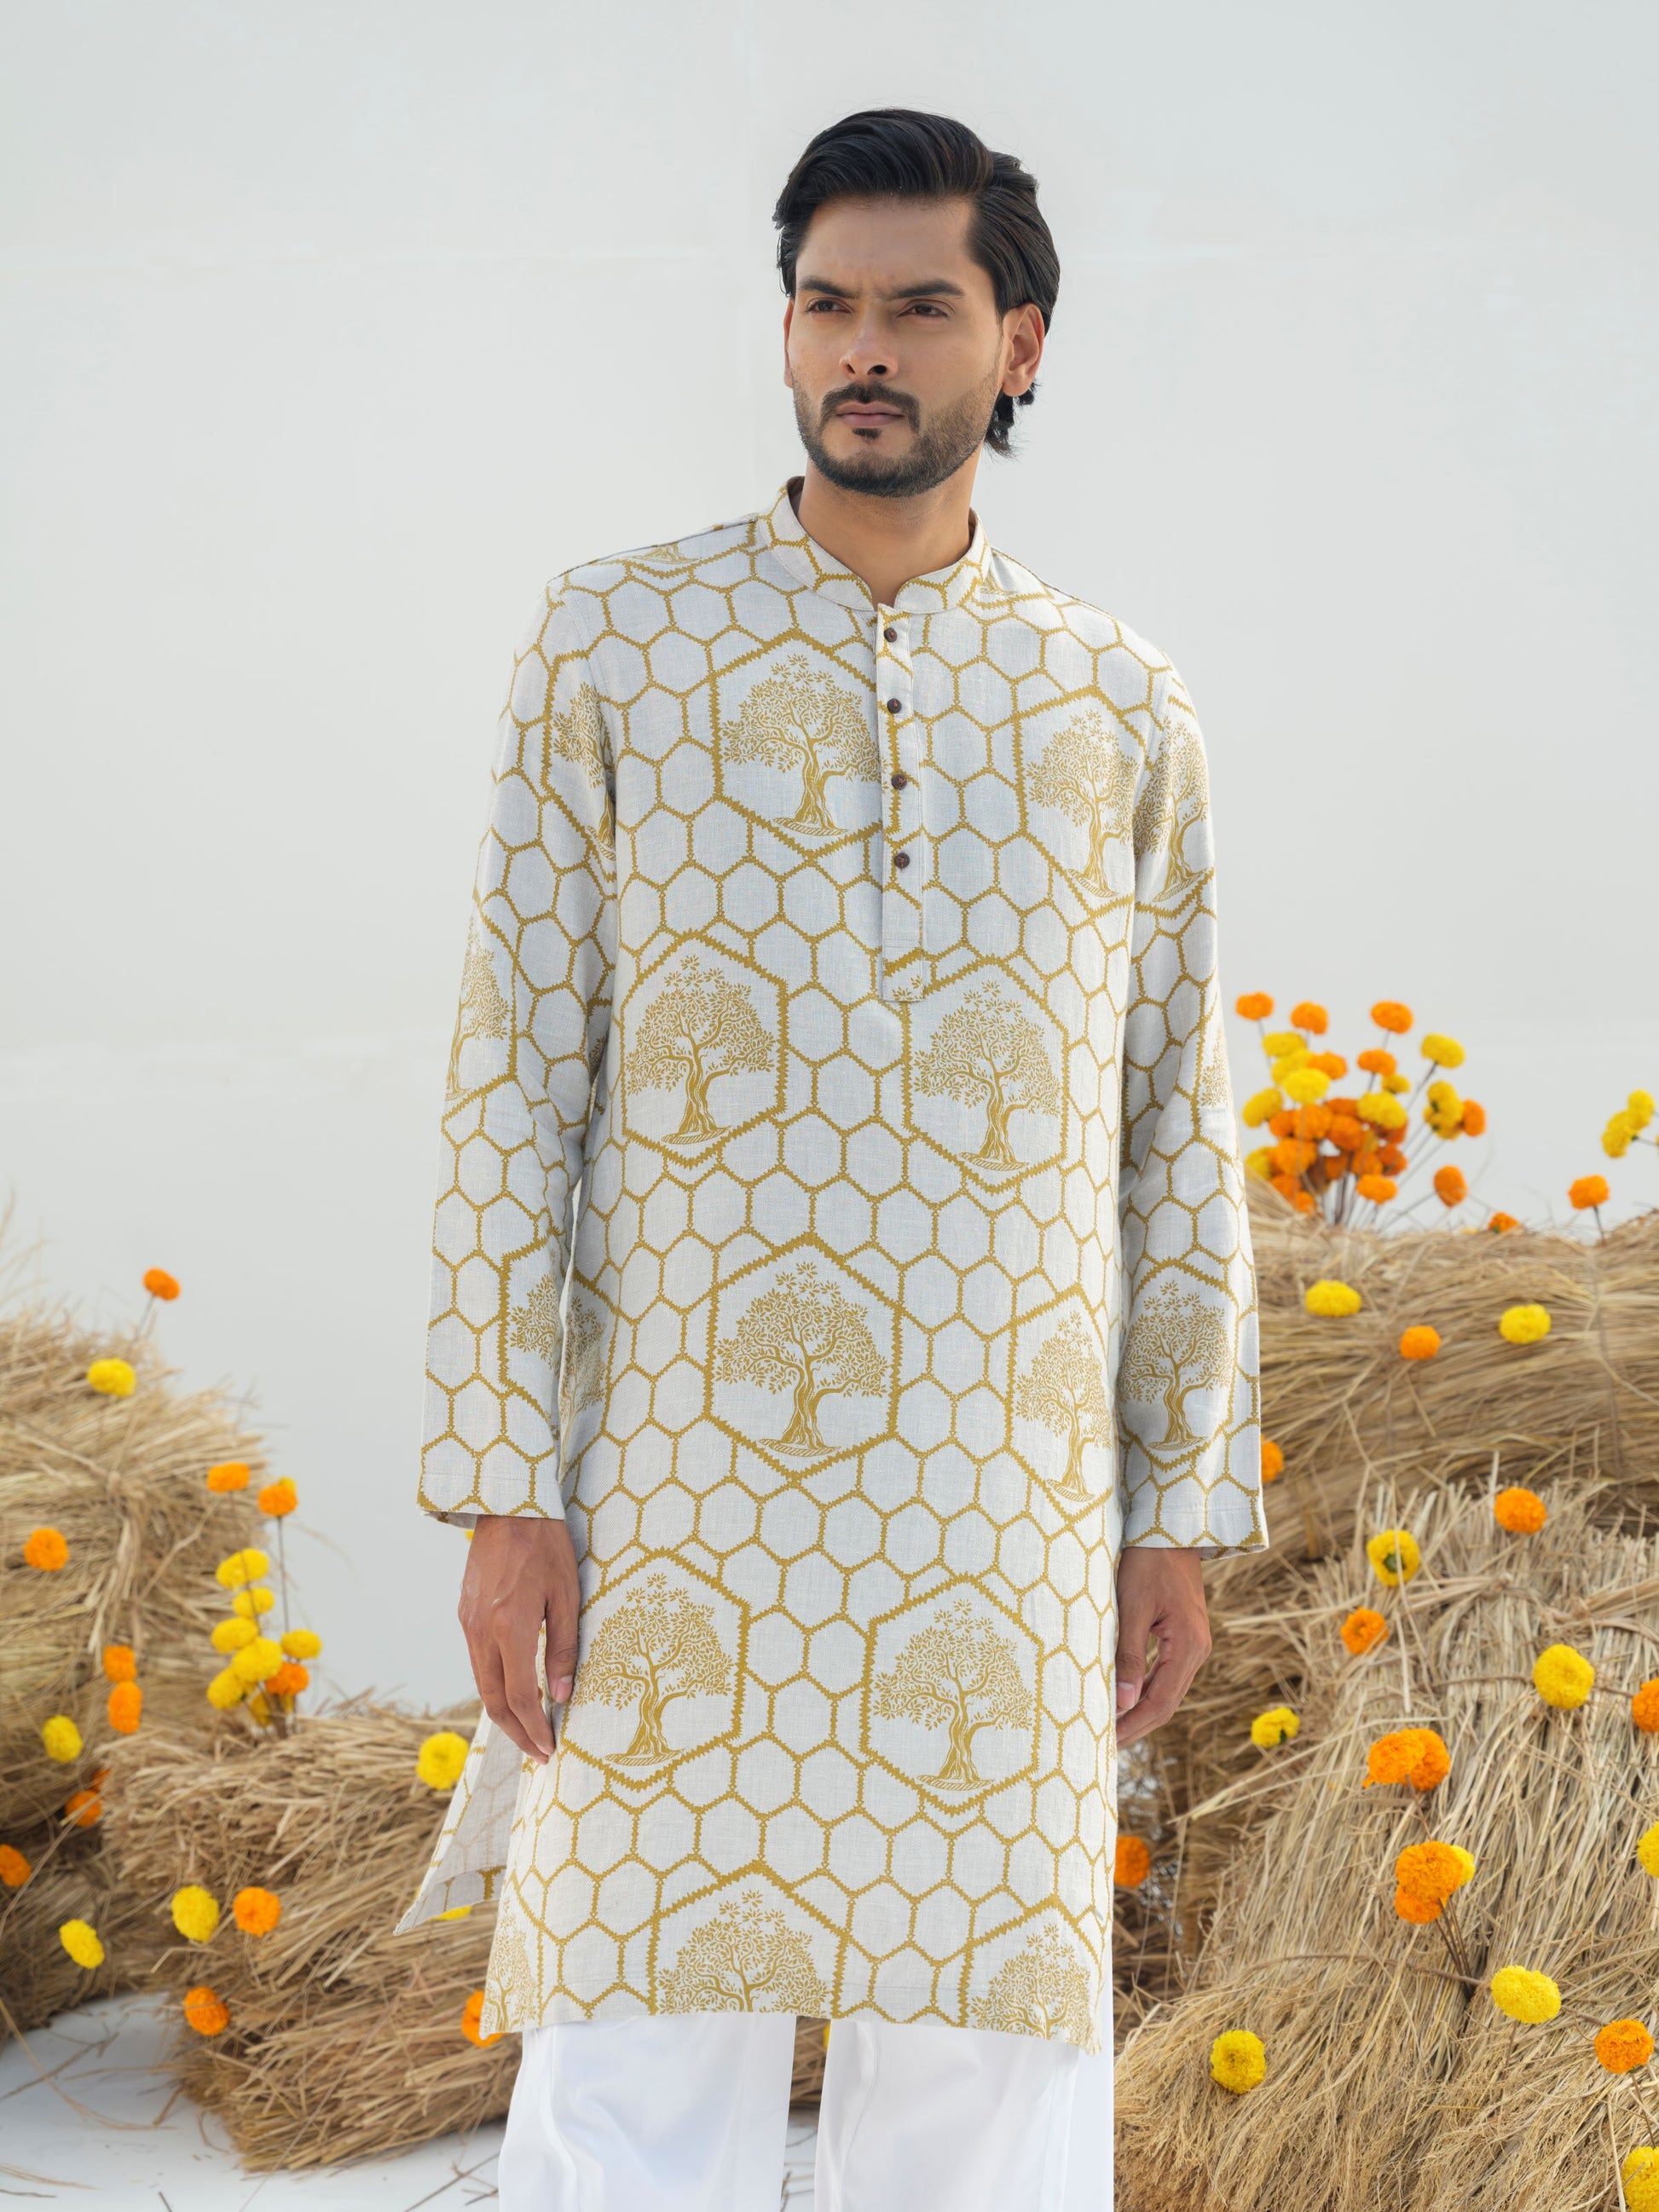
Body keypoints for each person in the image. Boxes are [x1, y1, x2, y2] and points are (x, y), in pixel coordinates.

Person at [392, 106, 1264, 2212]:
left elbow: (1173, 1122)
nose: (862, 347)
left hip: (1007, 1502)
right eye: (824, 304)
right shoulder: (616, 643)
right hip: (677, 1491)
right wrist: (508, 1485)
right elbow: (517, 1079)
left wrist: (1178, 1506)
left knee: (990, 2052)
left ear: (1019, 343)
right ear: (786, 329)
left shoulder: (1115, 702)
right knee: (632, 2031)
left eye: (917, 307)